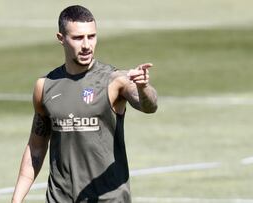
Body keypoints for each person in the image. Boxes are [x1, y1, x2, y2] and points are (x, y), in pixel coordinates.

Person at [12, 5, 157, 203]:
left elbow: (149, 106)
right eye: (78, 38)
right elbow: (36, 148)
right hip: (60, 199)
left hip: (108, 199)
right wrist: (16, 199)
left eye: (92, 36)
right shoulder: (45, 86)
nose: (87, 45)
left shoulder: (115, 80)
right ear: (61, 38)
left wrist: (143, 87)